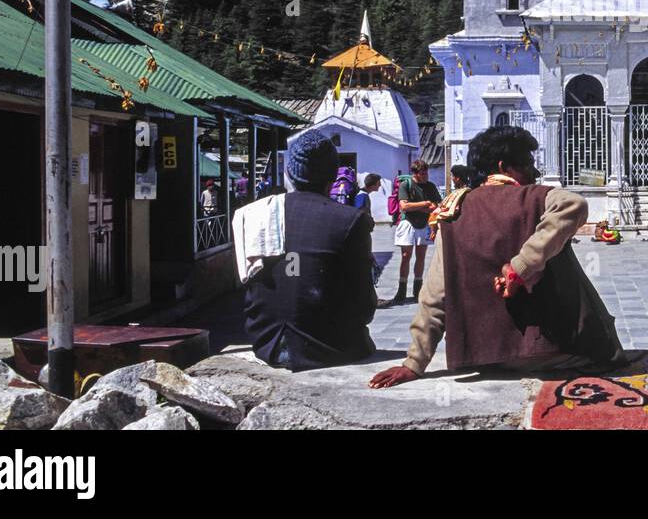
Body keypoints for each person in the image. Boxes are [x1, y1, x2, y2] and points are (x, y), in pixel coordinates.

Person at [369, 126, 621, 389]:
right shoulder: (537, 197)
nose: (534, 173)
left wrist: (414, 363)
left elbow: (435, 296)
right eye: (528, 164)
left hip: (482, 358)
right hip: (556, 352)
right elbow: (575, 204)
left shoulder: (453, 211)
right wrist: (520, 268)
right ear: (505, 166)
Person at [237, 130, 377, 371]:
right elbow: (364, 303)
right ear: (334, 176)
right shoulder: (351, 219)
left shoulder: (254, 214)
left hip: (266, 342)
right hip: (331, 347)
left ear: (290, 172)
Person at [390, 160, 439, 302]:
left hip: (424, 223)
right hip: (408, 223)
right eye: (422, 173)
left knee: (421, 255)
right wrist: (424, 204)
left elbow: (435, 206)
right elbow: (404, 206)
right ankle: (402, 288)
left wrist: (416, 206)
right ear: (415, 174)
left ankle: (418, 287)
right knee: (406, 255)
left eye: (426, 173)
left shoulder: (430, 186)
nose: (425, 176)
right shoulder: (406, 185)